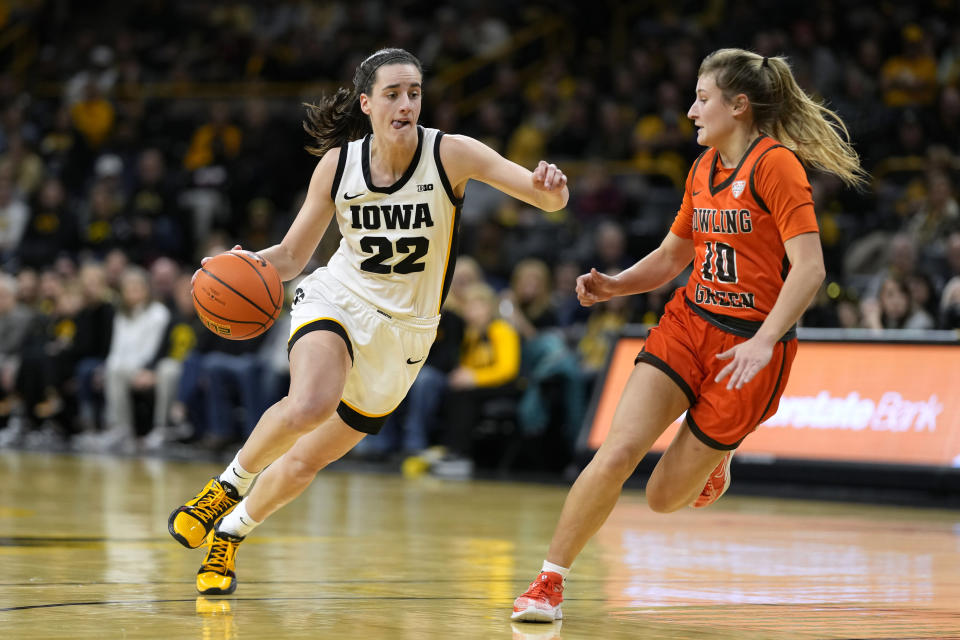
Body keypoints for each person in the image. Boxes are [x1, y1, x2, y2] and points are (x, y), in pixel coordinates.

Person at [167, 48, 568, 596]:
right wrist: (245, 265)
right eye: (393, 93)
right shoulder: (338, 165)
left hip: (405, 337)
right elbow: (290, 256)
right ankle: (225, 487)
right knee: (310, 403)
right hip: (338, 297)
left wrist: (552, 187)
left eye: (415, 93)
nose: (406, 103)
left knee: (304, 463)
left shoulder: (451, 154)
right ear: (367, 103)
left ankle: (230, 534)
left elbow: (545, 199)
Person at [512, 48, 866, 623]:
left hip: (750, 345)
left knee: (661, 498)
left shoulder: (776, 166)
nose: (690, 111)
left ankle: (717, 457)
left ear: (739, 105)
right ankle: (549, 583)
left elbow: (810, 269)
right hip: (689, 322)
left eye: (702, 99)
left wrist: (764, 341)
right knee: (618, 451)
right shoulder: (701, 168)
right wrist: (616, 285)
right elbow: (675, 253)